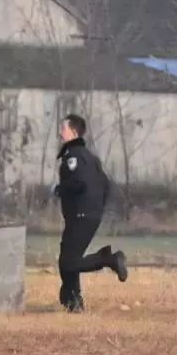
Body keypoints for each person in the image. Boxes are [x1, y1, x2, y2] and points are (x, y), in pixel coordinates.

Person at [52, 113, 128, 312]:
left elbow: (79, 182)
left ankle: (108, 259)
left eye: (64, 129)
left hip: (81, 215)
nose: (61, 133)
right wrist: (97, 209)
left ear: (74, 132)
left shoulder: (74, 157)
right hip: (89, 215)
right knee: (68, 258)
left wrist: (60, 189)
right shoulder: (91, 158)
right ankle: (73, 302)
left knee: (69, 262)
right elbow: (105, 184)